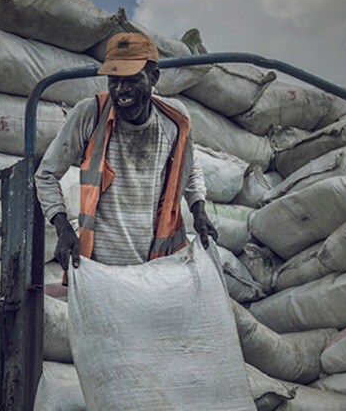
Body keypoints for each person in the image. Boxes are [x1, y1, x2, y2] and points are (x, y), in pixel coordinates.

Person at [35, 32, 216, 273]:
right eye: (114, 79)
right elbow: (46, 175)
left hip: (156, 265)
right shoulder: (91, 114)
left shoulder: (175, 119)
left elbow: (189, 167)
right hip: (99, 269)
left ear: (153, 77)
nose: (121, 90)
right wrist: (63, 227)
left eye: (131, 79)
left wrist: (199, 210)